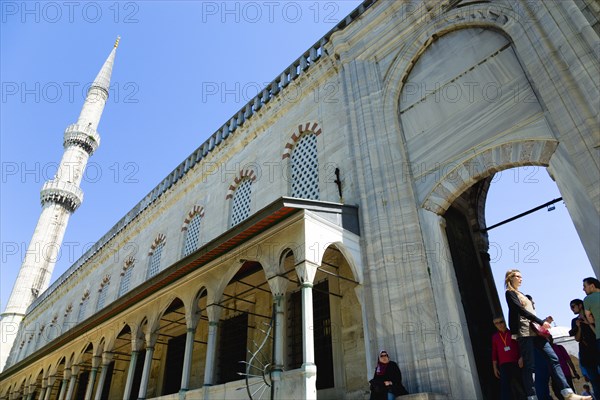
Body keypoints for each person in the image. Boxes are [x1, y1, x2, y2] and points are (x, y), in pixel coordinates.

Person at [504, 269, 591, 400]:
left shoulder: (521, 294)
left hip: (536, 332)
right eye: (517, 276)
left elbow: (529, 312)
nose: (520, 279)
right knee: (529, 366)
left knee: (553, 358)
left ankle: (567, 392)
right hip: (525, 333)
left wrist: (542, 322)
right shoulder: (510, 293)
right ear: (510, 278)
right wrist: (541, 322)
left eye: (521, 276)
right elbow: (519, 311)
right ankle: (532, 396)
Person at [569, 298, 600, 395]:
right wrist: (579, 327)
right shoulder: (574, 321)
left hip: (597, 348)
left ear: (580, 305)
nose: (572, 309)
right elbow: (577, 338)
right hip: (586, 353)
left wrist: (588, 323)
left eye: (573, 306)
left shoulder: (591, 315)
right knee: (594, 381)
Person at [492, 316, 526, 400]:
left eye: (501, 322)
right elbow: (494, 352)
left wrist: (522, 357)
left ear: (504, 322)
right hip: (503, 365)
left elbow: (521, 346)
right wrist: (495, 367)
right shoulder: (495, 337)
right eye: (496, 323)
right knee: (505, 387)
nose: (499, 324)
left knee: (521, 383)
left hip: (516, 363)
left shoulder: (512, 333)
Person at [583, 277, 600, 349]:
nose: (583, 289)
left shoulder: (588, 299)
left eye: (585, 286)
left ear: (592, 286)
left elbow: (590, 319)